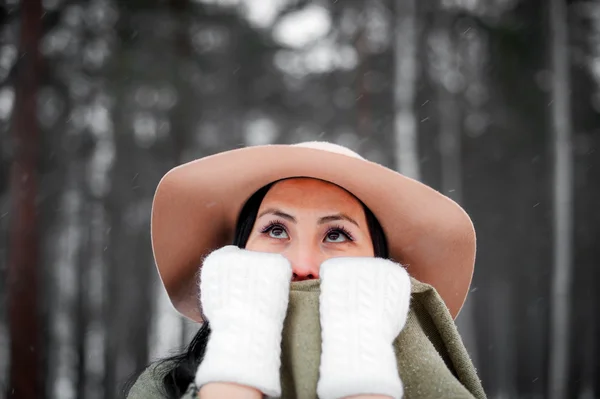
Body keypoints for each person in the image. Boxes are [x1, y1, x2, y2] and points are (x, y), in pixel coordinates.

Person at [125, 141, 485, 399]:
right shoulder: (165, 386)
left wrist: (361, 362)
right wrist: (238, 358)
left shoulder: (433, 382)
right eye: (276, 230)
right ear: (237, 252)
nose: (301, 265)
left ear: (380, 266)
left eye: (337, 234)